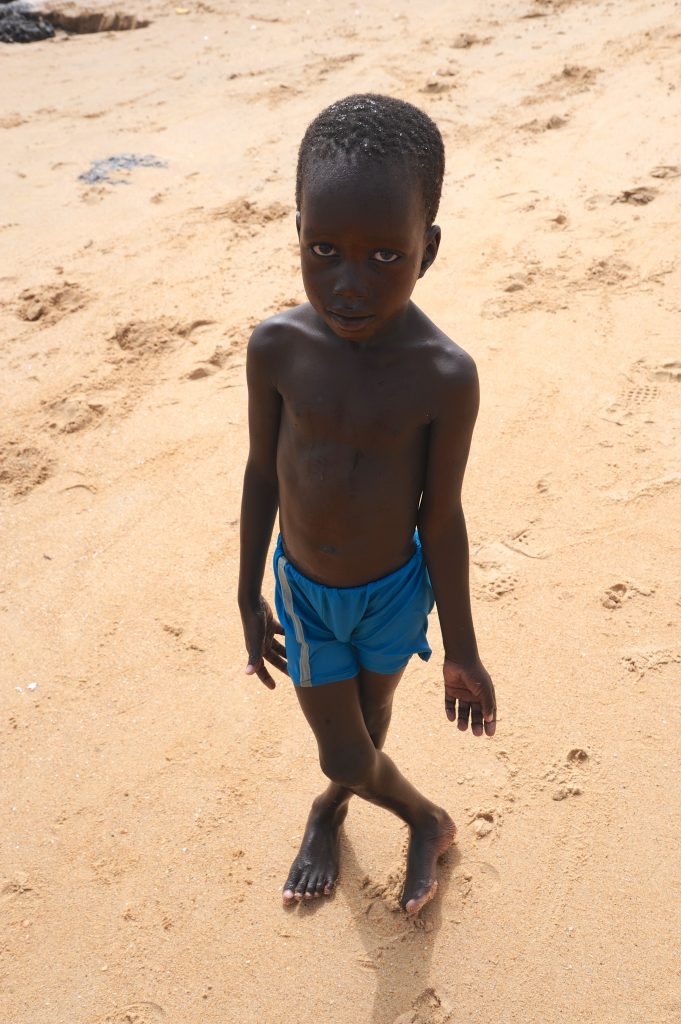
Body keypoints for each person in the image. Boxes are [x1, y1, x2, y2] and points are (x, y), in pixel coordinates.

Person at [238, 94, 497, 915]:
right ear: (298, 232)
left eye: (385, 256)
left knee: (371, 718)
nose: (349, 284)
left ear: (429, 248)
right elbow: (259, 473)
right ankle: (421, 816)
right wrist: (246, 591)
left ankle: (332, 812)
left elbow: (441, 516)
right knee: (343, 751)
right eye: (324, 250)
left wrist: (460, 646)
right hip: (308, 595)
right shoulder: (277, 347)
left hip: (391, 593)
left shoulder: (442, 375)